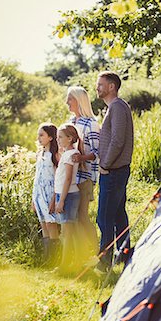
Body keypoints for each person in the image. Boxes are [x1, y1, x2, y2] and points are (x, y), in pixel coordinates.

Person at [96, 71, 134, 270]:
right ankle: (125, 255)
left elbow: (118, 140)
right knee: (118, 215)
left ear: (112, 86)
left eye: (100, 84)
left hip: (113, 171)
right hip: (116, 170)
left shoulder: (118, 107)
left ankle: (104, 262)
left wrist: (105, 164)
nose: (97, 88)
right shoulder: (115, 108)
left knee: (104, 217)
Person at [66, 86, 100, 259]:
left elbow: (97, 152)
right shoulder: (71, 122)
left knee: (82, 216)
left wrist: (82, 158)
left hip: (85, 177)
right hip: (69, 178)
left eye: (70, 99)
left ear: (79, 101)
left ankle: (96, 252)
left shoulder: (91, 123)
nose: (67, 102)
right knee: (72, 217)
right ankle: (80, 255)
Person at [32, 123, 60, 266]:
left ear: (50, 137)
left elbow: (57, 179)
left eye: (41, 135)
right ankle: (47, 259)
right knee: (43, 225)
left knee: (51, 225)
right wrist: (33, 199)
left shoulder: (54, 155)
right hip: (39, 194)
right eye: (38, 135)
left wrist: (54, 200)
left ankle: (55, 260)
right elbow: (37, 177)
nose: (39, 138)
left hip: (49, 194)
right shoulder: (40, 154)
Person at [55, 124, 81, 272]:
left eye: (60, 137)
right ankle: (73, 263)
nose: (58, 140)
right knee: (69, 232)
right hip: (65, 194)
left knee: (67, 233)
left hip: (68, 196)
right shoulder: (67, 153)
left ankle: (65, 266)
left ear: (70, 138)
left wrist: (62, 200)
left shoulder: (71, 154)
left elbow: (68, 179)